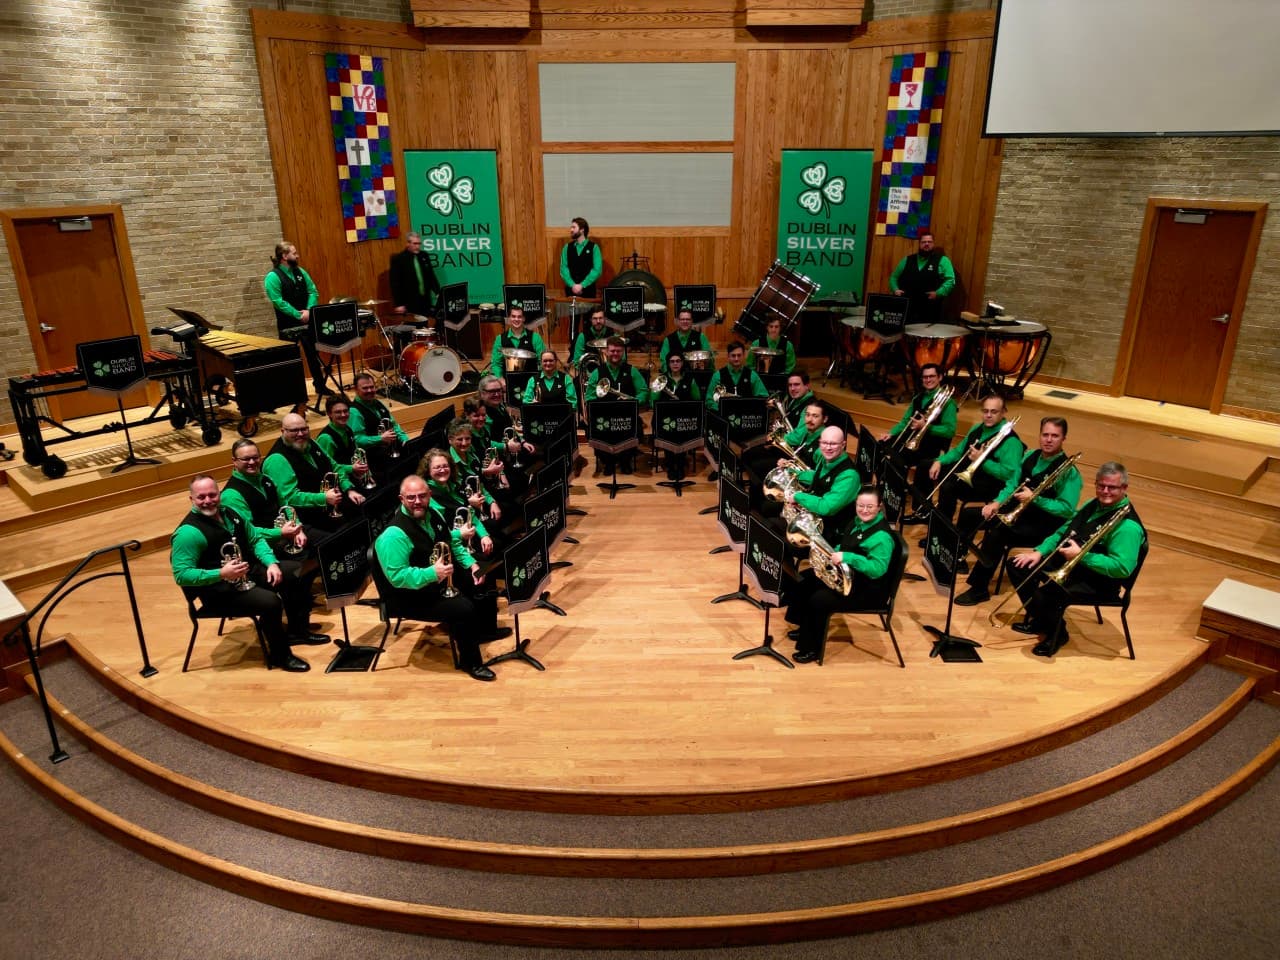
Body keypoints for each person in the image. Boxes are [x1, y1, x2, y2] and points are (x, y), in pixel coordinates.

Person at [170, 475, 315, 673]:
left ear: (219, 494)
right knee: (271, 602)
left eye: (212, 495)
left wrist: (271, 563)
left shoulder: (230, 513)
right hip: (219, 590)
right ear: (192, 499)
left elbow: (255, 540)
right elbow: (182, 575)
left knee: (298, 571)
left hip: (248, 572)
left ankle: (297, 631)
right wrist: (221, 573)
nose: (207, 501)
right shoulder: (188, 533)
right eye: (201, 497)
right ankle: (281, 655)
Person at [373, 475, 510, 681]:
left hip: (437, 579)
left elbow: (452, 544)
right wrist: (432, 573)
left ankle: (484, 631)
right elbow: (397, 577)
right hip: (408, 595)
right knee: (462, 608)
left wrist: (471, 565)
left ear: (429, 495)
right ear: (401, 499)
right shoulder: (394, 535)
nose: (417, 501)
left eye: (422, 496)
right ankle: (471, 662)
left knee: (482, 573)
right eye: (411, 498)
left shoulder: (433, 513)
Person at [1008, 462, 1146, 657]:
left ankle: (1058, 633)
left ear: (1124, 488)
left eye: (1112, 487)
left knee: (1049, 591)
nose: (1105, 491)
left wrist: (1081, 555)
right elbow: (1065, 530)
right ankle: (1044, 619)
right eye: (1101, 485)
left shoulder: (1128, 527)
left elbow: (1122, 568)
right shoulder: (1093, 504)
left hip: (1100, 581)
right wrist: (1039, 552)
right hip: (1075, 564)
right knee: (1018, 565)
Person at [955, 417, 1081, 606]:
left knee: (997, 533)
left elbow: (1066, 509)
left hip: (1043, 524)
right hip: (1017, 513)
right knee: (970, 515)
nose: (1048, 439)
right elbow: (1013, 483)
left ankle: (979, 588)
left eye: (1055, 436)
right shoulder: (1029, 455)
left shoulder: (1070, 472)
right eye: (1045, 434)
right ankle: (957, 558)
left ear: (1064, 439)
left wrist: (1035, 499)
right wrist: (996, 503)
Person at [218, 441, 331, 644]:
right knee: (297, 570)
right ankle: (297, 625)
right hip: (257, 551)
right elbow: (249, 531)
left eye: (255, 457)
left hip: (281, 538)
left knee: (317, 551)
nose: (252, 462)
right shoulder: (232, 495)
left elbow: (284, 506)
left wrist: (296, 527)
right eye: (246, 459)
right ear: (234, 462)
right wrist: (280, 532)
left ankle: (299, 609)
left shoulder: (266, 480)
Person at [784, 487, 896, 663]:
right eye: (861, 506)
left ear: (879, 507)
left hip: (868, 589)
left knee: (819, 599)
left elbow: (877, 569)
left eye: (870, 507)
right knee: (806, 579)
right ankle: (803, 625)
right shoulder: (857, 522)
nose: (864, 510)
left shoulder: (882, 537)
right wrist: (831, 551)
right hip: (848, 577)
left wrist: (848, 557)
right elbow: (846, 545)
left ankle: (811, 648)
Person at [924, 393, 1023, 542]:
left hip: (991, 485)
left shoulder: (1012, 442)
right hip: (972, 476)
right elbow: (958, 451)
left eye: (994, 412)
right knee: (927, 466)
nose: (988, 415)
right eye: (985, 411)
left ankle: (942, 535)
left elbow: (1008, 475)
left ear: (1003, 413)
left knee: (948, 487)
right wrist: (939, 461)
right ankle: (929, 518)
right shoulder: (977, 428)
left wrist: (982, 460)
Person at [263, 413, 365, 536]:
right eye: (294, 430)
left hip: (329, 505)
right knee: (343, 537)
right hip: (306, 518)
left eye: (304, 429)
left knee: (363, 510)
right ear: (283, 431)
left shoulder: (310, 443)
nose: (300, 434)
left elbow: (334, 466)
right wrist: (323, 498)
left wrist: (349, 489)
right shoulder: (277, 460)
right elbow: (290, 497)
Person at [881, 363, 958, 519]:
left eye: (931, 376)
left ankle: (919, 509)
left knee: (909, 462)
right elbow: (905, 422)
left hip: (932, 445)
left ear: (940, 377)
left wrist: (927, 426)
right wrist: (891, 433)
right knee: (882, 447)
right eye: (925, 377)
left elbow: (950, 430)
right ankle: (892, 493)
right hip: (913, 440)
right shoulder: (918, 398)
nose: (928, 380)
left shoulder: (948, 403)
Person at [263, 240, 329, 397]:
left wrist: (308, 310)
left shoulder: (300, 271)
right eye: (294, 253)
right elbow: (278, 302)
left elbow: (313, 291)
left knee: (313, 355)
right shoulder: (272, 277)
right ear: (284, 256)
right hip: (288, 324)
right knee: (290, 359)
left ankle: (320, 385)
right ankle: (293, 392)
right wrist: (298, 315)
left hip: (307, 320)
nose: (297, 256)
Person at [584, 337, 649, 475]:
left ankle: (625, 461)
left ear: (623, 352)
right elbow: (589, 396)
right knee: (593, 429)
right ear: (606, 352)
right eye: (612, 351)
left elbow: (643, 391)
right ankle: (608, 462)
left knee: (636, 428)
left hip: (626, 414)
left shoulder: (632, 370)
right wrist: (601, 404)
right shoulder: (597, 372)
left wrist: (634, 401)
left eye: (618, 351)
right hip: (605, 415)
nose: (615, 354)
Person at [784, 426, 861, 536]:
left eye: (833, 444)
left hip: (829, 531)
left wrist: (798, 497)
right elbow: (818, 477)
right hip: (813, 516)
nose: (828, 448)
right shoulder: (825, 458)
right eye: (824, 443)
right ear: (819, 443)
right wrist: (792, 472)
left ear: (843, 445)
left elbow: (827, 507)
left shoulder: (849, 476)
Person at [420, 447, 496, 558]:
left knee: (497, 542)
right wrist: (460, 535)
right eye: (437, 467)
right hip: (454, 546)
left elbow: (470, 513)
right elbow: (440, 534)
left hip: (469, 535)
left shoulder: (454, 484)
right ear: (428, 471)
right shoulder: (429, 496)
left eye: (445, 466)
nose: (442, 470)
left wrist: (484, 535)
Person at [889, 231, 956, 325]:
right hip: (907, 307)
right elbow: (893, 277)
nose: (927, 244)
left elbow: (950, 280)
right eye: (924, 242)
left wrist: (938, 293)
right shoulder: (907, 259)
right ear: (919, 244)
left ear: (933, 244)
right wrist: (895, 290)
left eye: (929, 242)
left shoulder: (943, 260)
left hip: (930, 308)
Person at [314, 394, 375, 491]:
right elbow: (326, 468)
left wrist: (367, 473)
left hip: (352, 477)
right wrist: (351, 468)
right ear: (329, 414)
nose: (343, 415)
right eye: (338, 412)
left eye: (346, 411)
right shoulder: (326, 438)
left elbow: (357, 453)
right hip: (336, 485)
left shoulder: (347, 429)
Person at [347, 371, 408, 467]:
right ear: (356, 390)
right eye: (365, 388)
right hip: (373, 458)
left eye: (372, 387)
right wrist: (380, 438)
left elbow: (394, 425)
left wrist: (404, 440)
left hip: (390, 450)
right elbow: (357, 440)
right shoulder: (354, 412)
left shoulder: (377, 403)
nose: (370, 390)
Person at [704, 340, 768, 411]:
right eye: (733, 356)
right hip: (723, 418)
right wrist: (721, 409)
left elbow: (763, 397)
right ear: (728, 356)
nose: (736, 359)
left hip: (746, 417)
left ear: (744, 355)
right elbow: (709, 400)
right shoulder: (717, 376)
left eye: (739, 355)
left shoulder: (752, 375)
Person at [388, 232, 440, 319]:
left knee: (426, 326)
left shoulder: (424, 256)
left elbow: (431, 276)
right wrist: (399, 304)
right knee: (413, 327)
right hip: (409, 302)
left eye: (419, 244)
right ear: (408, 243)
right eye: (415, 244)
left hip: (425, 300)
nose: (418, 246)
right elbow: (395, 283)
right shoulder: (399, 259)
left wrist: (438, 292)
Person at [489, 305, 548, 380]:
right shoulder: (499, 339)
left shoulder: (535, 337)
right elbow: (496, 364)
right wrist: (500, 379)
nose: (516, 319)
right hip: (507, 380)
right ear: (509, 318)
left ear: (523, 319)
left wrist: (538, 379)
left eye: (519, 317)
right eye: (513, 316)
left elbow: (543, 360)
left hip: (531, 380)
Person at [657, 308, 712, 375]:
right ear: (677, 321)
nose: (685, 321)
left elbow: (710, 358)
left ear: (692, 321)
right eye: (682, 319)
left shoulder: (701, 337)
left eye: (688, 319)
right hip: (675, 377)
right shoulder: (668, 339)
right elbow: (664, 362)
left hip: (696, 376)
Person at [560, 216, 602, 297]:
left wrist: (582, 285)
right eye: (571, 227)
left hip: (588, 291)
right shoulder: (566, 247)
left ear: (582, 230)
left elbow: (597, 270)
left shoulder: (594, 247)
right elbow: (563, 268)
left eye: (574, 227)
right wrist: (572, 285)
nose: (571, 230)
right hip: (570, 291)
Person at [570, 306, 618, 374]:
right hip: (590, 374)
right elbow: (577, 361)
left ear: (605, 319)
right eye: (595, 318)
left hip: (611, 373)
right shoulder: (582, 336)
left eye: (600, 318)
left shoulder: (613, 335)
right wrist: (590, 376)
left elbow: (622, 358)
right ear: (590, 320)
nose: (598, 321)